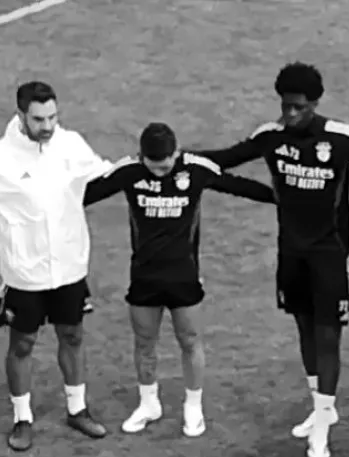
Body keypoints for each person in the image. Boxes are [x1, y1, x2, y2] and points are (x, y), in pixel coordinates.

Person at [197, 62, 349, 457]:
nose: (290, 114)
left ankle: (321, 426)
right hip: (291, 253)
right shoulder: (271, 136)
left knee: (328, 334)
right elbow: (227, 158)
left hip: (330, 254)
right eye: (285, 106)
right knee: (303, 326)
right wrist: (176, 156)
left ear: (315, 103)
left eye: (298, 107)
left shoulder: (341, 138)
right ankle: (321, 405)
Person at [82, 122, 275, 438]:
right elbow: (84, 195)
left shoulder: (197, 170)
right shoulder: (128, 171)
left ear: (177, 153)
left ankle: (193, 406)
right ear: (141, 156)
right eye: (153, 167)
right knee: (144, 342)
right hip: (144, 276)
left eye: (166, 166)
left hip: (183, 275)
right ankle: (148, 403)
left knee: (190, 341)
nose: (159, 174)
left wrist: (287, 201)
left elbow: (239, 185)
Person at [0, 81, 113, 451]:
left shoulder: (71, 144)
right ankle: (22, 419)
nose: (47, 125)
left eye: (52, 116)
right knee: (23, 343)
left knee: (73, 335)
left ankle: (77, 409)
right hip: (23, 274)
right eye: (38, 119)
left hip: (69, 268)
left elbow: (100, 175)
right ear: (20, 116)